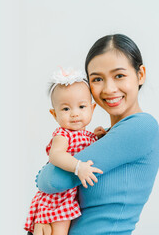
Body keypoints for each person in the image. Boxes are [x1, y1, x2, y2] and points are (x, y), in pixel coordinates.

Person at [35, 34, 159, 235]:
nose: (109, 88)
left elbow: (52, 180)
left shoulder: (141, 127)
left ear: (140, 75)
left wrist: (46, 173)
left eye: (119, 75)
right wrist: (44, 215)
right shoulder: (102, 136)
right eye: (97, 79)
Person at [24, 68, 103, 235]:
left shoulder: (87, 135)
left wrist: (97, 136)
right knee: (60, 231)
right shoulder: (63, 134)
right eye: (66, 109)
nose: (74, 114)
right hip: (59, 197)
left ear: (92, 108)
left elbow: (85, 145)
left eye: (81, 106)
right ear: (54, 114)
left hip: (70, 194)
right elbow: (56, 154)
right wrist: (78, 167)